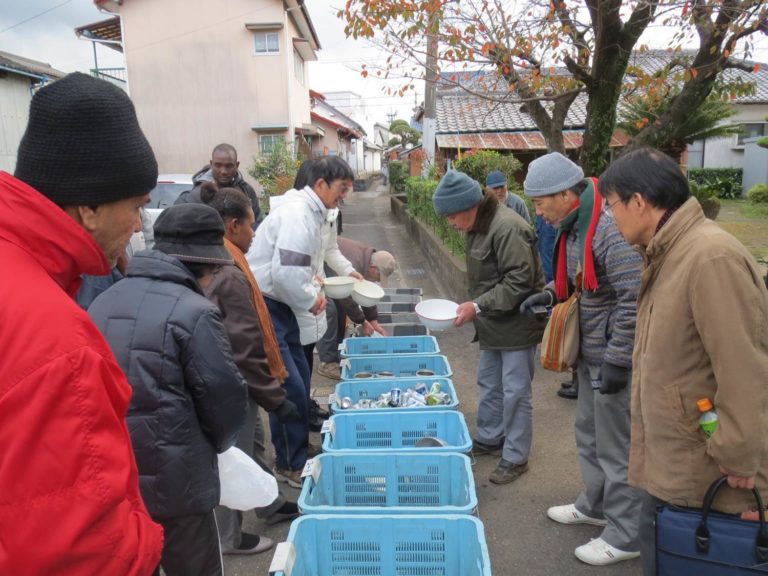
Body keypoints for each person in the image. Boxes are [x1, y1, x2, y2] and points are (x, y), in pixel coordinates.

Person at [0, 72, 163, 575]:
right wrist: (147, 548)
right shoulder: (58, 342)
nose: (139, 224)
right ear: (89, 207)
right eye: (135, 206)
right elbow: (86, 551)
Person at [597, 148, 768, 576]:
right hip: (677, 456)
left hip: (710, 468)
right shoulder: (670, 251)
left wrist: (739, 455)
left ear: (639, 202)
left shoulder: (709, 257)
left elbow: (744, 366)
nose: (610, 217)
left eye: (611, 205)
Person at [89, 204, 249, 576]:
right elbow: (224, 401)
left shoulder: (103, 302)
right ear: (206, 266)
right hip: (181, 482)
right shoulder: (195, 311)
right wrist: (221, 446)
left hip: (117, 475)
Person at [520, 152, 643, 566]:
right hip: (591, 351)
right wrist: (549, 294)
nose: (538, 212)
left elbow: (634, 296)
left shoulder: (606, 226)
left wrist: (619, 359)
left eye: (540, 203)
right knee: (589, 433)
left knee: (617, 446)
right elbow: (581, 283)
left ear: (565, 194)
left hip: (612, 354)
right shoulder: (575, 227)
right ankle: (594, 506)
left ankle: (627, 534)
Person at [198, 183, 302, 553]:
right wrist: (275, 397)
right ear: (231, 225)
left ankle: (269, 503)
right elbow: (244, 348)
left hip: (231, 380)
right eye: (250, 224)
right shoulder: (227, 272)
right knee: (234, 457)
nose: (254, 232)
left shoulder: (224, 260)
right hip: (231, 384)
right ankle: (228, 536)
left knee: (254, 444)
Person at [433, 170, 546, 484]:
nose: (451, 224)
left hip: (517, 322)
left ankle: (516, 456)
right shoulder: (479, 225)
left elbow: (520, 282)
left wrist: (477, 305)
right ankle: (490, 436)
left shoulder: (508, 227)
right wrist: (478, 308)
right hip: (492, 323)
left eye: (452, 217)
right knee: (489, 382)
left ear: (469, 206)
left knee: (516, 392)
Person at [247, 156, 354, 487]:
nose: (344, 197)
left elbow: (299, 270)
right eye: (341, 189)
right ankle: (289, 463)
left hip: (282, 304)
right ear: (320, 184)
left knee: (299, 378)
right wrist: (312, 297)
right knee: (289, 385)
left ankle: (295, 450)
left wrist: (310, 289)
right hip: (269, 305)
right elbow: (287, 275)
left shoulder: (312, 213)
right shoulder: (298, 216)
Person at [316, 237, 396, 380]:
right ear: (373, 267)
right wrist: (362, 321)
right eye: (379, 276)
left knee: (340, 310)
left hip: (331, 272)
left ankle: (337, 353)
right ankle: (327, 363)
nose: (377, 280)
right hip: (316, 270)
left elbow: (365, 293)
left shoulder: (367, 259)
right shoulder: (355, 262)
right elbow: (346, 297)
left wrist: (373, 321)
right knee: (329, 311)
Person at [176, 142, 261, 224]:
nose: (223, 171)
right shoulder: (193, 196)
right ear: (211, 164)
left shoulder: (247, 191)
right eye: (218, 165)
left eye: (229, 166)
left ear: (237, 165)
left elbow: (257, 224)